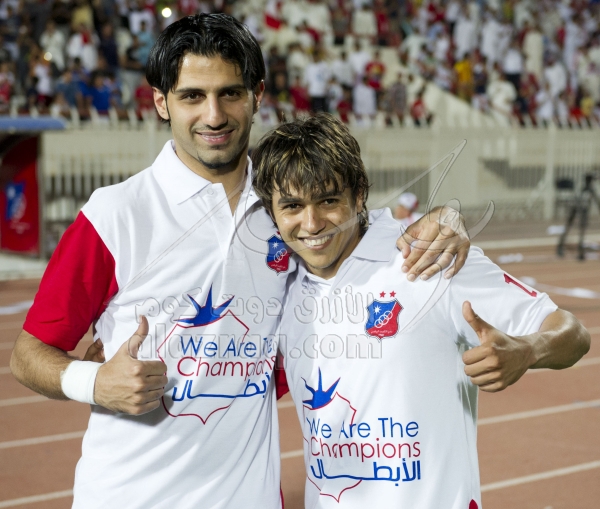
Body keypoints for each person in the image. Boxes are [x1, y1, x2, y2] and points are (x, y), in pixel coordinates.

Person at [10, 14, 470, 509]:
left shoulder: (287, 211)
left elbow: (365, 231)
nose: (214, 116)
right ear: (161, 102)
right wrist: (95, 382)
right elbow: (28, 354)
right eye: (192, 96)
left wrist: (445, 217)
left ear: (257, 95)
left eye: (230, 93)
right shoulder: (116, 215)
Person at [250, 113, 590, 509]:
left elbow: (572, 332)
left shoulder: (430, 257)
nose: (312, 223)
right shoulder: (279, 288)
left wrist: (529, 350)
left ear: (358, 195)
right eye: (292, 206)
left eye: (328, 200)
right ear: (272, 212)